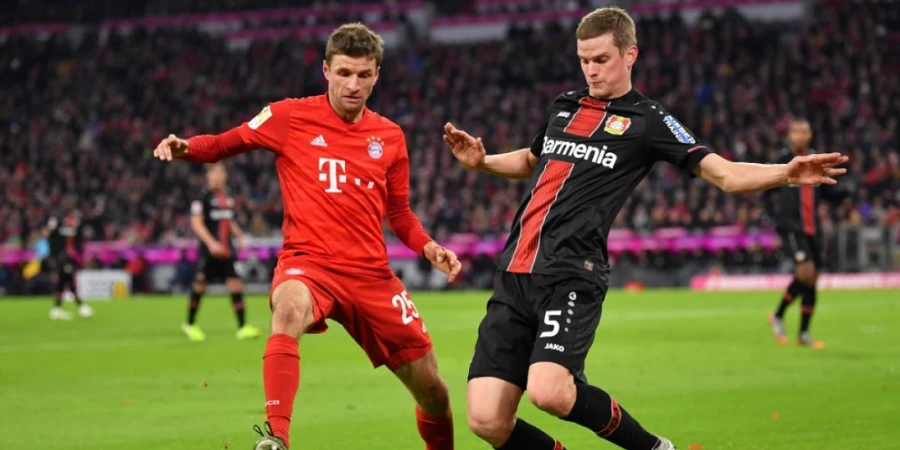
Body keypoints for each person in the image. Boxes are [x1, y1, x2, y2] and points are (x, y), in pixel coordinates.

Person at [443, 7, 847, 450]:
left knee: (549, 391)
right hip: (514, 273)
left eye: (601, 59)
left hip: (571, 273)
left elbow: (726, 174)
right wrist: (483, 162)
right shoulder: (564, 106)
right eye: (584, 60)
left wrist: (786, 173)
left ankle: (654, 448)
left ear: (629, 54)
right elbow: (530, 160)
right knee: (486, 419)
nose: (591, 70)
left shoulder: (648, 120)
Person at [153, 23, 460, 450]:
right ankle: (277, 437)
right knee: (288, 309)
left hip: (371, 276)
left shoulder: (390, 136)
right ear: (326, 70)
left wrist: (428, 247)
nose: (353, 85)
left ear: (377, 75)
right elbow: (225, 143)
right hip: (309, 264)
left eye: (364, 75)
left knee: (434, 391)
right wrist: (187, 147)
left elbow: (400, 213)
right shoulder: (287, 117)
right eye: (344, 73)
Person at [183, 162, 261, 341]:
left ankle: (242, 327)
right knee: (200, 286)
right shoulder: (201, 197)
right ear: (208, 176)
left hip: (227, 249)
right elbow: (196, 223)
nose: (218, 176)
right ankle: (190, 324)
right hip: (210, 251)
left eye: (221, 173)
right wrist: (211, 243)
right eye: (215, 173)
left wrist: (240, 236)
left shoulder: (227, 196)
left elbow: (228, 220)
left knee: (235, 284)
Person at [766, 120, 826, 348]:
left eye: (804, 131)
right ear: (790, 136)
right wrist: (775, 218)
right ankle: (778, 315)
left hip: (814, 228)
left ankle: (803, 334)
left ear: (810, 135)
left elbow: (825, 190)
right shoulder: (782, 159)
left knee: (812, 280)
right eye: (796, 132)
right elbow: (765, 189)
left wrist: (842, 194)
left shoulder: (816, 160)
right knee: (805, 272)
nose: (800, 135)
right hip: (792, 227)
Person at [47, 195, 93, 320]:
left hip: (72, 255)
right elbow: (51, 238)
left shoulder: (75, 219)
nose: (70, 205)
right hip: (61, 255)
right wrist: (54, 256)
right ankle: (81, 306)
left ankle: (56, 309)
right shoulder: (57, 218)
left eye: (72, 203)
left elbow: (79, 239)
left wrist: (80, 252)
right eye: (68, 202)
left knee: (63, 281)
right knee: (69, 278)